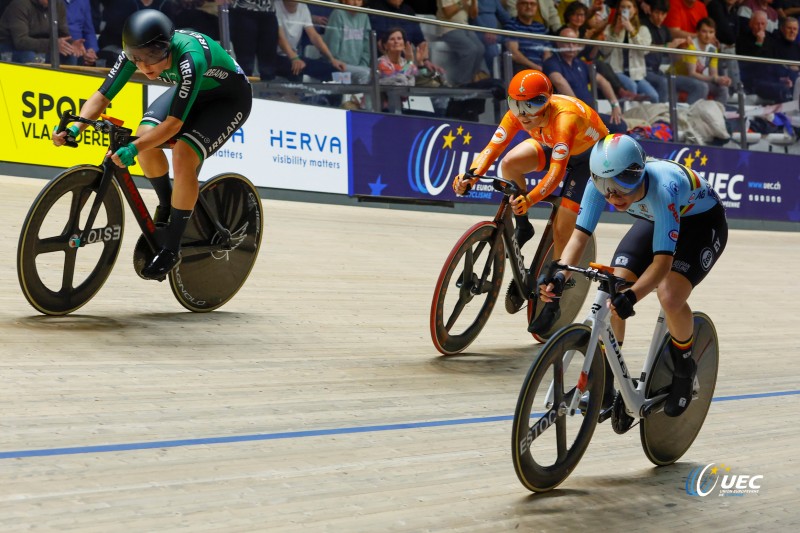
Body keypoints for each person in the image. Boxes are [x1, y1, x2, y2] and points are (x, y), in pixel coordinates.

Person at [536, 134, 727, 417]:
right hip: (656, 219)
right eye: (604, 186)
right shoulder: (598, 184)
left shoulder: (663, 188)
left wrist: (633, 296)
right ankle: (608, 380)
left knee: (670, 295)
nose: (612, 195)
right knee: (614, 284)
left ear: (637, 173)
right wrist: (559, 273)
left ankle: (685, 369)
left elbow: (662, 264)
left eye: (621, 185)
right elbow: (579, 238)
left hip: (701, 225)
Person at [52, 9, 253, 279]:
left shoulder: (189, 59)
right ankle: (168, 202)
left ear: (167, 47)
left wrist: (135, 149)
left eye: (152, 58)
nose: (145, 66)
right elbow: (102, 96)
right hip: (194, 90)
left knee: (183, 154)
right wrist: (75, 127)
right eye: (137, 59)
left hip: (228, 99)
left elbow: (173, 126)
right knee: (143, 133)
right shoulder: (134, 54)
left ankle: (171, 249)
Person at [452, 70, 610, 331]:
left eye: (532, 104)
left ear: (547, 101)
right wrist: (469, 175)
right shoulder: (519, 114)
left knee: (563, 226)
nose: (523, 113)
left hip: (588, 159)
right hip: (558, 144)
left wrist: (530, 198)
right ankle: (523, 225)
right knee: (510, 164)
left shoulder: (564, 118)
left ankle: (554, 298)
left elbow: (556, 173)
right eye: (515, 104)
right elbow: (492, 148)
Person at [542, 26, 625, 132]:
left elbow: (604, 82)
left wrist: (615, 105)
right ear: (558, 43)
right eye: (567, 42)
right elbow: (559, 81)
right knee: (619, 127)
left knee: (620, 124)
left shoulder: (580, 63)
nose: (571, 46)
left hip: (588, 115)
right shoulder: (552, 62)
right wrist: (579, 109)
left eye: (574, 43)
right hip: (567, 116)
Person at [601, 0, 659, 102]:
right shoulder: (610, 28)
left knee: (654, 96)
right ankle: (629, 116)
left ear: (635, 10)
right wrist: (615, 33)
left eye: (629, 7)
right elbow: (604, 51)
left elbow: (645, 51)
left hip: (636, 74)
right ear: (619, 10)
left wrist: (631, 30)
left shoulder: (643, 30)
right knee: (631, 87)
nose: (625, 10)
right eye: (623, 7)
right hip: (616, 71)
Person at [274, 0, 345, 82]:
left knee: (333, 71)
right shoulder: (275, 7)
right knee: (296, 70)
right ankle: (293, 95)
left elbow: (314, 36)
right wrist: (294, 58)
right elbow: (280, 38)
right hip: (275, 58)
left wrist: (332, 59)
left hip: (295, 57)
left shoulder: (303, 7)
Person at [672, 18, 732, 104]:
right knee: (702, 86)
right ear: (697, 32)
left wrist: (721, 79)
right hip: (677, 77)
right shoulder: (691, 46)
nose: (708, 36)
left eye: (711, 32)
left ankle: (716, 114)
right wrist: (714, 78)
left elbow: (713, 74)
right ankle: (691, 114)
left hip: (698, 79)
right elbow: (692, 74)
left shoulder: (712, 49)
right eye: (704, 31)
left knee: (723, 89)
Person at [0, 0, 74, 64]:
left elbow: (63, 34)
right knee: (29, 56)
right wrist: (52, 44)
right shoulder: (19, 5)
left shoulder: (58, 5)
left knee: (71, 54)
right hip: (11, 47)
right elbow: (20, 42)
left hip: (43, 45)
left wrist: (72, 44)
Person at [436, 0, 487, 85]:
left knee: (481, 49)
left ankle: (472, 81)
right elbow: (447, 13)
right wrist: (462, 2)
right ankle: (461, 84)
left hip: (465, 27)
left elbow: (473, 15)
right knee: (470, 49)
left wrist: (474, 2)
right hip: (448, 28)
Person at [226, 0, 279, 80]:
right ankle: (243, 89)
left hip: (268, 10)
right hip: (243, 9)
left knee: (268, 61)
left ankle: (267, 89)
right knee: (245, 60)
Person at [323, 0, 372, 85]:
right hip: (338, 67)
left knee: (369, 74)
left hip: (358, 68)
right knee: (366, 74)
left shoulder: (364, 16)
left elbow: (367, 46)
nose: (356, 3)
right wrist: (336, 62)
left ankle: (357, 98)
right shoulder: (338, 13)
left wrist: (362, 66)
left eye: (359, 0)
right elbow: (331, 46)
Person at [503, 0, 549, 73]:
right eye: (524, 3)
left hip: (542, 69)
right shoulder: (511, 25)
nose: (529, 6)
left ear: (537, 7)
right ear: (517, 6)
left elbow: (547, 52)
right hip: (522, 69)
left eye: (532, 4)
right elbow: (514, 53)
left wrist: (545, 68)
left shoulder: (541, 27)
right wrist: (536, 68)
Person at [64, 0, 99, 66]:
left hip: (80, 50)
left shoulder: (84, 1)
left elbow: (88, 30)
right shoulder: (49, 2)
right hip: (57, 48)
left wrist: (91, 50)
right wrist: (71, 43)